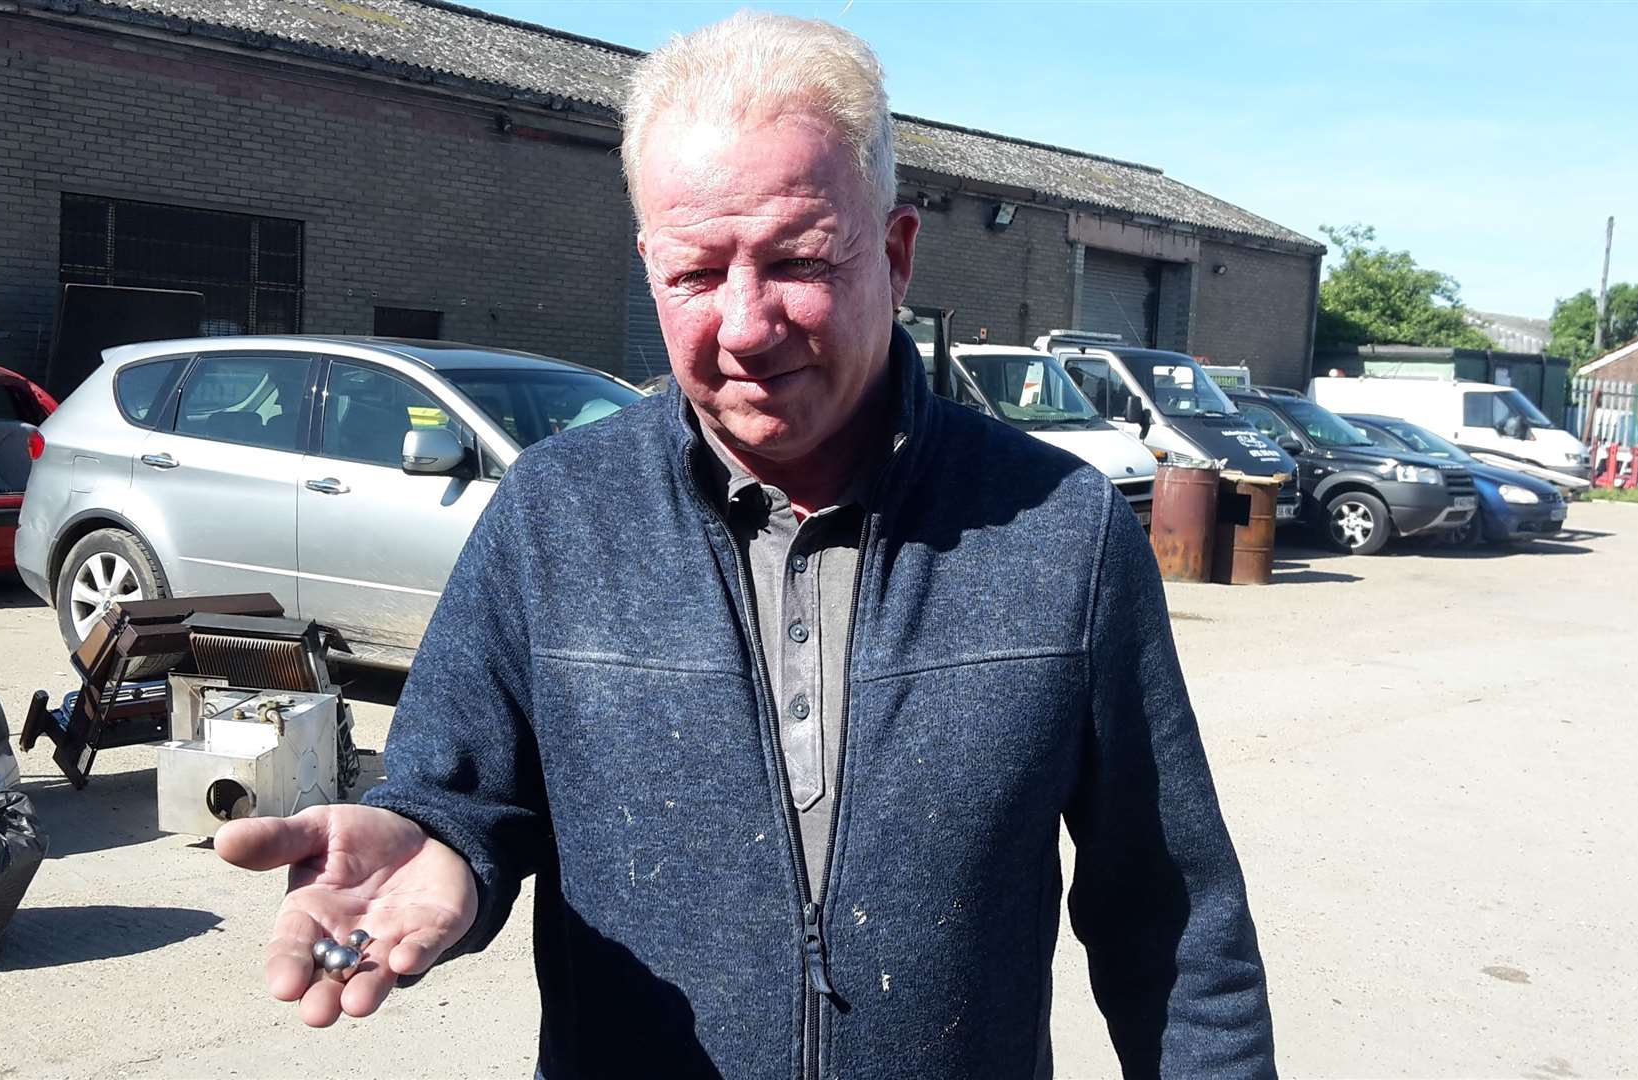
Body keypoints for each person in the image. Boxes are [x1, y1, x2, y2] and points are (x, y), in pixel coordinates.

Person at [216, 12, 1277, 1078]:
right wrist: (436, 843)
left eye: (797, 259)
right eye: (693, 274)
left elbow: (1170, 919)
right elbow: (458, 792)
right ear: (648, 268)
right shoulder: (554, 517)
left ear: (898, 255)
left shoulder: (1061, 529)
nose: (745, 323)